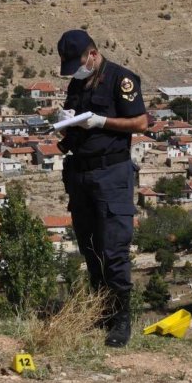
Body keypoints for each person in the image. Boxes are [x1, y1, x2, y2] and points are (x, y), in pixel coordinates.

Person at [55, 29, 147, 347]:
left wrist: (101, 122)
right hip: (81, 175)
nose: (75, 70)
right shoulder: (78, 82)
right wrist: (66, 124)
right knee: (91, 249)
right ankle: (101, 314)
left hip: (112, 174)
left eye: (78, 62)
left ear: (92, 55)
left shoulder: (121, 79)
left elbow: (140, 123)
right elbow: (77, 125)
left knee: (114, 252)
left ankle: (121, 321)